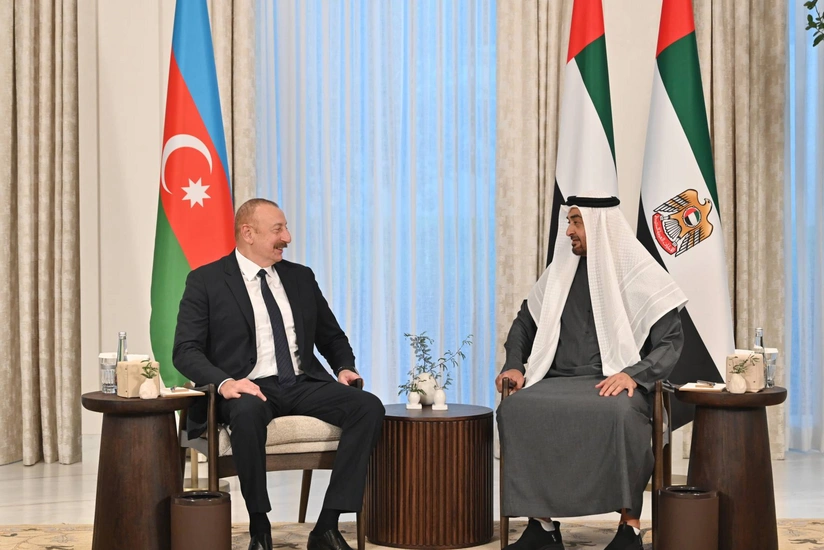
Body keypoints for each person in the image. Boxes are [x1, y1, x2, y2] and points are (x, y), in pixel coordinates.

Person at [174, 198, 385, 550]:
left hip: (302, 383)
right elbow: (185, 350)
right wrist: (225, 383)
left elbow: (331, 336)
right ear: (248, 233)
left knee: (368, 407)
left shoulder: (300, 277)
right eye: (278, 229)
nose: (287, 237)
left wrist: (344, 367)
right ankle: (260, 528)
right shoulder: (206, 281)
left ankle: (327, 526)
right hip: (246, 386)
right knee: (246, 412)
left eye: (285, 228)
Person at [496, 195, 686, 550]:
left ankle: (629, 527)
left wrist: (634, 375)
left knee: (621, 413)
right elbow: (524, 324)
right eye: (569, 222)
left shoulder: (639, 274)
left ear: (599, 226)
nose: (568, 231)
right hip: (555, 379)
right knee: (516, 407)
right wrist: (514, 364)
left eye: (576, 222)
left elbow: (670, 342)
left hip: (614, 379)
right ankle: (542, 526)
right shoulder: (560, 271)